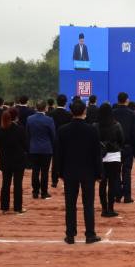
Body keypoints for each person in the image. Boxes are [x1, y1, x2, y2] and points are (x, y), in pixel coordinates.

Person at [54, 101, 101, 244]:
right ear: (84, 111)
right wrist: (99, 173)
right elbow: (96, 154)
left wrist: (58, 173)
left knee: (70, 204)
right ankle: (90, 234)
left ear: (71, 112)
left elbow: (58, 154)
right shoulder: (92, 130)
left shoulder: (62, 130)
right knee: (88, 204)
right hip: (88, 172)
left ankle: (70, 234)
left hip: (69, 172)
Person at [0, 108, 28, 214]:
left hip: (5, 160)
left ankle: (4, 207)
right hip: (18, 161)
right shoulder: (20, 129)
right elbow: (26, 145)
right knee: (18, 184)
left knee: (5, 184)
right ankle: (18, 207)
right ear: (16, 117)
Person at [94, 103, 124, 217]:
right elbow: (121, 139)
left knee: (102, 184)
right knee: (112, 183)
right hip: (114, 156)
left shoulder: (95, 125)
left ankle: (104, 209)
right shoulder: (116, 125)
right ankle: (110, 208)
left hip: (100, 157)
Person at [26, 100, 56, 200]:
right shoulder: (49, 120)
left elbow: (27, 134)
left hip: (34, 148)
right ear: (45, 108)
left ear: (36, 107)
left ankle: (35, 192)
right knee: (44, 172)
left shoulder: (30, 119)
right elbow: (53, 135)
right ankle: (44, 192)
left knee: (35, 171)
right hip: (46, 149)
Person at [112, 93, 135, 203]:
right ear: (127, 100)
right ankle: (127, 196)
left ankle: (117, 195)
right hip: (128, 146)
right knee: (127, 172)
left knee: (116, 172)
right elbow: (134, 132)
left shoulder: (112, 113)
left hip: (115, 147)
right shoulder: (132, 114)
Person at [50, 94, 72, 187]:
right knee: (66, 160)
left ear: (57, 102)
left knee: (55, 160)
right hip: (66, 140)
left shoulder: (51, 114)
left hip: (55, 139)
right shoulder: (69, 114)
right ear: (65, 103)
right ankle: (65, 179)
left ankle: (54, 181)